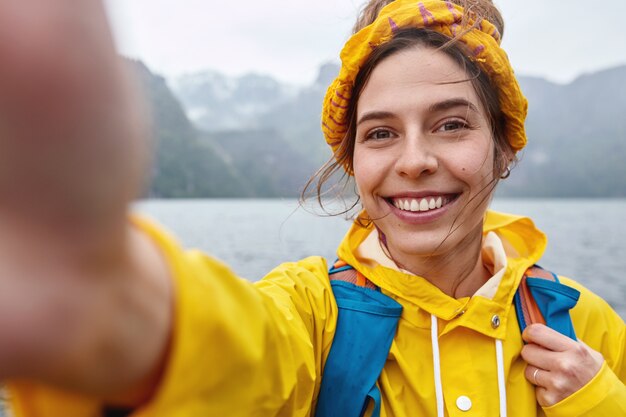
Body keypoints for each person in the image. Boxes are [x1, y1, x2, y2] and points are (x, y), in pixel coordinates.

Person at [0, 0, 624, 416]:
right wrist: (109, 304)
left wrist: (600, 401)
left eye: (451, 125)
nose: (413, 161)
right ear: (353, 158)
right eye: (380, 133)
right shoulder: (314, 315)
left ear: (504, 146)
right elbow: (245, 354)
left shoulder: (584, 328)